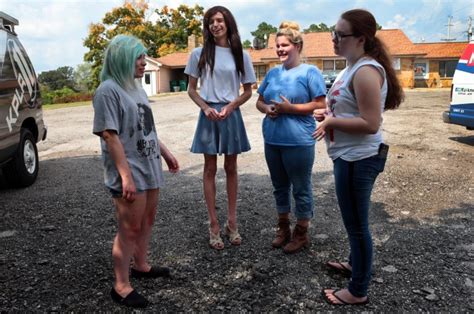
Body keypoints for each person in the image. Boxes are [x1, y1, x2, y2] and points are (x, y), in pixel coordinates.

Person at [313, 9, 403, 305]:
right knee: (354, 222)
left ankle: (357, 290)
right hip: (349, 156)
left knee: (357, 225)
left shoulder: (365, 71)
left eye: (340, 34)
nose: (334, 39)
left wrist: (331, 122)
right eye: (333, 32)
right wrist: (329, 114)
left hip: (359, 159)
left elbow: (370, 123)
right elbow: (351, 110)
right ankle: (355, 265)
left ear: (361, 38)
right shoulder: (350, 67)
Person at [92, 34, 179, 308]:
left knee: (147, 221)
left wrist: (165, 153)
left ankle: (141, 265)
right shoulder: (108, 90)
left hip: (149, 165)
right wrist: (125, 176)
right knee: (128, 228)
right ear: (122, 59)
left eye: (143, 57)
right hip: (129, 171)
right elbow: (109, 135)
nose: (144, 62)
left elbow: (147, 129)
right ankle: (121, 286)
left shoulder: (137, 88)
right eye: (139, 57)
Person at [185, 6, 256, 250]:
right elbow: (191, 89)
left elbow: (248, 90)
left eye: (220, 20)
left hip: (230, 113)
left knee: (231, 168)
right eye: (211, 21)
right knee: (209, 169)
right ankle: (213, 224)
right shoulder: (199, 53)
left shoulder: (240, 54)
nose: (215, 24)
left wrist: (232, 105)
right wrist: (205, 108)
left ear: (228, 23)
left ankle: (232, 222)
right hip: (209, 115)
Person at [256, 21, 326, 254]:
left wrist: (290, 109)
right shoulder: (273, 73)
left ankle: (301, 232)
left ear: (297, 45)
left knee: (301, 188)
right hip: (273, 139)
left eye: (284, 45)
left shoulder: (310, 72)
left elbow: (320, 104)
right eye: (277, 46)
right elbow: (259, 101)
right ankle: (283, 228)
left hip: (299, 141)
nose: (280, 50)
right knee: (279, 187)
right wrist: (267, 109)